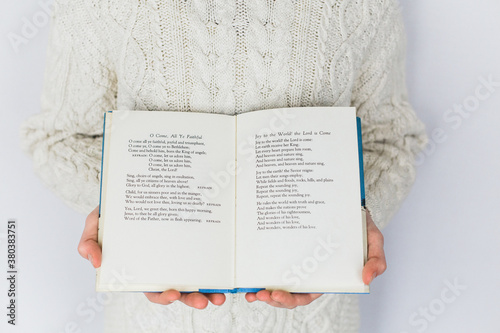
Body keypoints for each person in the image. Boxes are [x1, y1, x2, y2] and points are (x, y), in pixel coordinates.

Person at [20, 0, 428, 331]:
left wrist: (350, 220)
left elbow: (389, 138)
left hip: (315, 320)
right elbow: (59, 138)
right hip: (151, 323)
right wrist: (128, 219)